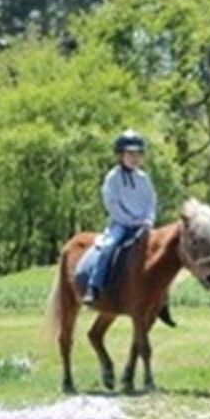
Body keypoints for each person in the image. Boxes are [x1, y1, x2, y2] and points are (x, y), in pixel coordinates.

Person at [83, 130, 157, 305]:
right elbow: (112, 205)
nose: (134, 157)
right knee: (108, 247)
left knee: (162, 252)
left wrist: (148, 220)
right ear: (120, 155)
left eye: (138, 153)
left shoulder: (144, 178)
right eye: (130, 153)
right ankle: (93, 287)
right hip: (121, 224)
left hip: (144, 225)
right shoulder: (112, 178)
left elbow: (151, 201)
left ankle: (161, 298)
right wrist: (132, 221)